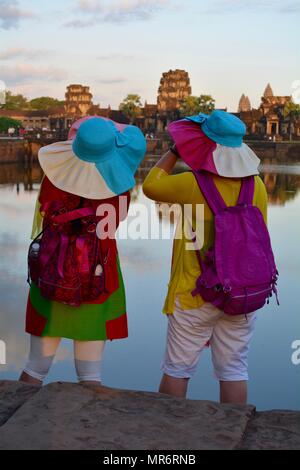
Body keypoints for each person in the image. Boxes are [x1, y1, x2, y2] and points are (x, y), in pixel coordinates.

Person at [143, 110, 269, 404]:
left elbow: (150, 185)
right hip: (243, 292)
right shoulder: (257, 187)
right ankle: (233, 432)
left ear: (203, 147)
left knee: (177, 369)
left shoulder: (192, 184)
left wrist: (175, 150)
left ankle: (170, 435)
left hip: (194, 293)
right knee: (234, 370)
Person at [20, 117, 146, 386]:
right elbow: (114, 222)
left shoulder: (52, 180)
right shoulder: (118, 189)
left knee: (35, 367)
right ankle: (87, 425)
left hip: (52, 272)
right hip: (97, 276)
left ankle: (13, 420)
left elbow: (44, 213)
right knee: (90, 375)